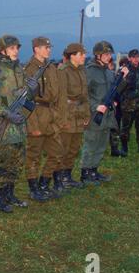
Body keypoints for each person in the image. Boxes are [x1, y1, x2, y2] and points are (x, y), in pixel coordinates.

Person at [0, 35, 33, 211]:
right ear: (3, 50)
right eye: (12, 48)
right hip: (3, 123)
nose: (16, 51)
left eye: (17, 48)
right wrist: (6, 113)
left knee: (17, 160)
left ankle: (10, 194)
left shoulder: (19, 69)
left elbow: (23, 94)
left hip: (18, 123)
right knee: (3, 161)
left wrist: (32, 90)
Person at [80, 41, 129, 184]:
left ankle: (94, 171)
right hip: (94, 114)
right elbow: (83, 94)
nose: (109, 57)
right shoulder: (89, 71)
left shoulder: (108, 71)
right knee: (91, 144)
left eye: (109, 54)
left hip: (107, 115)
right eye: (106, 54)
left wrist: (123, 79)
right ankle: (85, 173)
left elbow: (115, 90)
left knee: (101, 144)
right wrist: (95, 106)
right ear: (98, 55)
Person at [24, 37, 66, 201]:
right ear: (36, 49)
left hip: (51, 116)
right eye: (45, 47)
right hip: (36, 115)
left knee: (56, 153)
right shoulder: (29, 70)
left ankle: (44, 183)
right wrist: (32, 124)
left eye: (49, 47)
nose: (48, 50)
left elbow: (58, 95)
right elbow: (26, 100)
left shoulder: (51, 68)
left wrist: (60, 117)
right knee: (33, 155)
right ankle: (34, 188)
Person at [58, 43, 90, 189]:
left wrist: (86, 114)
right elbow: (60, 97)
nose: (84, 56)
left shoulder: (82, 71)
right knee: (63, 148)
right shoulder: (63, 71)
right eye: (81, 54)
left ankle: (68, 175)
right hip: (68, 116)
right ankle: (59, 178)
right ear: (72, 55)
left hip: (79, 115)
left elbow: (85, 96)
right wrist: (63, 118)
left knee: (74, 148)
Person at [120, 49, 139, 154]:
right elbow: (119, 86)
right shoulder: (124, 69)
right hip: (128, 104)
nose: (135, 59)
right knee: (126, 127)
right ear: (129, 58)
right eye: (133, 57)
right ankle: (124, 147)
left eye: (137, 57)